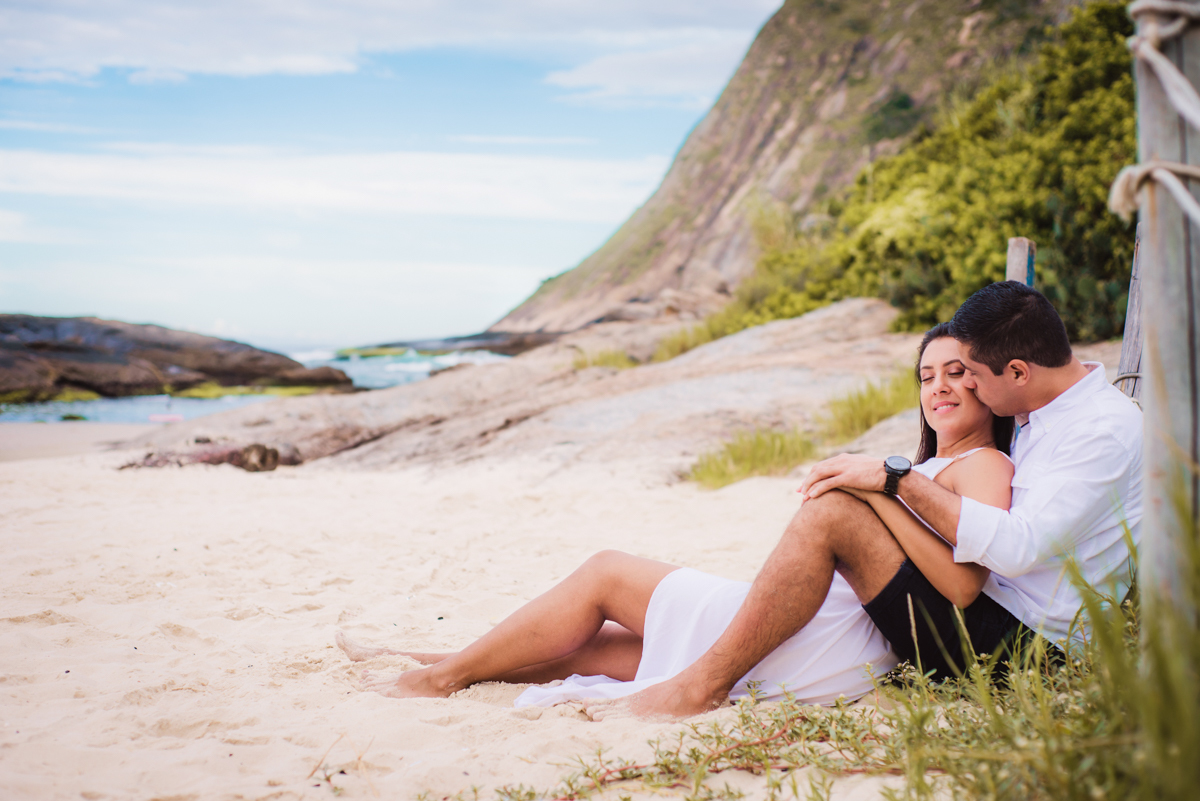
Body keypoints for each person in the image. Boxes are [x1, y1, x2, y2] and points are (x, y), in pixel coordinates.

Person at [337, 324, 1016, 708]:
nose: (941, 387)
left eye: (957, 372)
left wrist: (884, 489)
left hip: (831, 627)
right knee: (604, 650)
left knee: (605, 573)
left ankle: (438, 675)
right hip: (819, 623)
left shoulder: (982, 464)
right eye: (928, 376)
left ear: (988, 382)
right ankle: (447, 660)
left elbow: (964, 579)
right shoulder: (922, 467)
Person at [605, 281, 1143, 720]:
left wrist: (893, 481)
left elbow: (1018, 548)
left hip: (1026, 648)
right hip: (986, 607)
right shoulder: (1044, 414)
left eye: (972, 376)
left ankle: (699, 687)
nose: (969, 389)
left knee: (836, 512)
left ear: (1020, 372)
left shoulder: (1101, 430)